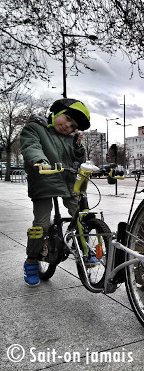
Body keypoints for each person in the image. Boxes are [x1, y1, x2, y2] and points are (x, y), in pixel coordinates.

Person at [20, 98, 92, 287]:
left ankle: (85, 249)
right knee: (41, 224)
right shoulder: (35, 127)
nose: (67, 126)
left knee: (82, 214)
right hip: (44, 180)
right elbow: (31, 147)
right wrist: (40, 161)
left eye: (72, 125)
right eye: (67, 118)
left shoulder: (70, 138)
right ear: (56, 112)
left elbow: (78, 159)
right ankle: (31, 261)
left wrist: (77, 148)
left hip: (68, 182)